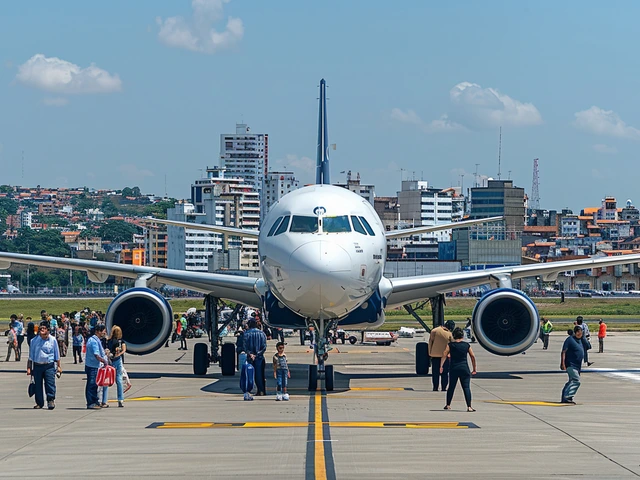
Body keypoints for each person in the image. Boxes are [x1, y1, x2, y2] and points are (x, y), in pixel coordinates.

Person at [26, 322, 62, 410]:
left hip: (49, 365)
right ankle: (39, 403)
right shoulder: (34, 341)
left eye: (44, 328)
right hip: (37, 365)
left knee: (50, 384)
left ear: (48, 330)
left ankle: (50, 400)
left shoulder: (53, 340)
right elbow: (31, 356)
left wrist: (59, 367)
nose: (42, 330)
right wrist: (29, 368)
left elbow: (57, 355)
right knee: (37, 385)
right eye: (41, 328)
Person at [441, 327, 477, 412]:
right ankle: (469, 406)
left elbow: (444, 354)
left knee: (451, 387)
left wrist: (441, 366)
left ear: (453, 336)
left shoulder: (451, 345)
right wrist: (474, 368)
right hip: (464, 368)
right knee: (466, 387)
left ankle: (448, 404)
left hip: (454, 368)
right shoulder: (466, 345)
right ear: (462, 336)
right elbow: (472, 356)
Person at [84, 324, 109, 409]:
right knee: (92, 384)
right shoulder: (94, 341)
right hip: (93, 366)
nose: (104, 332)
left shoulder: (93, 339)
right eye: (103, 331)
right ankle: (91, 402)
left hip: (91, 365)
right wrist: (104, 361)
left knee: (94, 384)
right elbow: (96, 355)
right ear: (98, 331)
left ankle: (95, 401)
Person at [560, 326, 584, 404]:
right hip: (570, 364)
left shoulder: (580, 340)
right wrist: (562, 363)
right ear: (576, 332)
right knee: (576, 380)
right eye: (579, 333)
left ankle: (566, 396)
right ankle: (567, 396)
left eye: (581, 333)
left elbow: (588, 346)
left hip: (577, 366)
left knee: (571, 381)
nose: (580, 334)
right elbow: (564, 351)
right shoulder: (570, 340)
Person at [428, 320, 454, 392]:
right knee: (445, 373)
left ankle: (435, 387)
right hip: (445, 356)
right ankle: (444, 387)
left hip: (435, 355)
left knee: (435, 373)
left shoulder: (435, 331)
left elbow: (430, 342)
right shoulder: (449, 334)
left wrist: (430, 353)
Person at [244, 318, 267, 396]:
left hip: (251, 358)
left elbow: (245, 347)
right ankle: (262, 390)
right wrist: (258, 354)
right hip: (260, 358)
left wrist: (251, 354)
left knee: (250, 375)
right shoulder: (262, 333)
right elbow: (264, 347)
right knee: (260, 375)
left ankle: (252, 390)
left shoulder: (246, 334)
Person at [107, 325, 127, 408]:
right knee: (119, 380)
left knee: (107, 379)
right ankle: (120, 399)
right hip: (117, 360)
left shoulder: (109, 341)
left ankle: (103, 399)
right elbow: (124, 349)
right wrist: (119, 354)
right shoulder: (120, 341)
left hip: (110, 360)